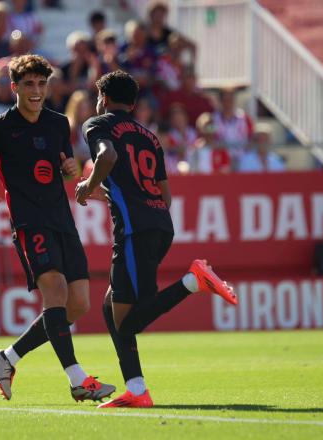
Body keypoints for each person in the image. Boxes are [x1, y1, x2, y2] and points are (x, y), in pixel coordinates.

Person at [0, 54, 115, 402]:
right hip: (29, 222)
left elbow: (64, 170)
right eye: (29, 84)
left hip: (62, 219)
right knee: (55, 292)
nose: (36, 91)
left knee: (78, 305)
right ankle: (77, 379)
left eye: (42, 84)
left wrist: (71, 168)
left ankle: (7, 357)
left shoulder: (58, 124)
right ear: (14, 87)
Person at [75, 70, 236, 408]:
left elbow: (107, 157)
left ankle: (193, 281)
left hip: (134, 231)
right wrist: (105, 195)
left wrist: (88, 186)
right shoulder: (149, 136)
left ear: (102, 98)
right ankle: (137, 389)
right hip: (160, 226)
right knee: (111, 308)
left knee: (129, 322)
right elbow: (164, 195)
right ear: (133, 104)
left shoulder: (98, 125)